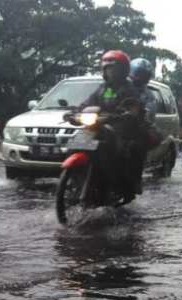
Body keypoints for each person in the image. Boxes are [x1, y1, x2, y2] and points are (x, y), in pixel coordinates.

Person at [78, 50, 144, 202]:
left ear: (123, 71)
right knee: (75, 145)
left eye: (113, 69)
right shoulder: (102, 89)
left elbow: (135, 106)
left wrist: (129, 113)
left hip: (119, 127)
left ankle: (122, 184)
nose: (110, 72)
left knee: (120, 151)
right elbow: (87, 104)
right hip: (99, 126)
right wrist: (73, 113)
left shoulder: (129, 90)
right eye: (107, 68)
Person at [129, 58, 157, 195]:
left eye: (142, 75)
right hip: (113, 123)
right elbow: (104, 98)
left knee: (137, 147)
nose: (138, 77)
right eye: (136, 73)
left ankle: (135, 180)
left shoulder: (148, 95)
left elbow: (150, 112)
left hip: (134, 127)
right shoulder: (120, 87)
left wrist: (142, 121)